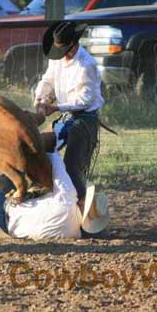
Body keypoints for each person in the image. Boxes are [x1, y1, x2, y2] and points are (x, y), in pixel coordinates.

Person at [0, 131, 109, 240]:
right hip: (9, 229)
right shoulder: (76, 234)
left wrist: (54, 139)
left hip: (2, 208)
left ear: (83, 203)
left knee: (21, 182)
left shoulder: (68, 197)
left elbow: (55, 160)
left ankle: (5, 180)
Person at [34, 21, 104, 203]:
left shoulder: (86, 65)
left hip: (84, 119)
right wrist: (40, 99)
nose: (64, 54)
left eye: (67, 49)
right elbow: (47, 80)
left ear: (75, 44)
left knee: (72, 167)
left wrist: (56, 107)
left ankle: (83, 206)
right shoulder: (57, 59)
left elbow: (85, 101)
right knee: (39, 148)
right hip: (67, 117)